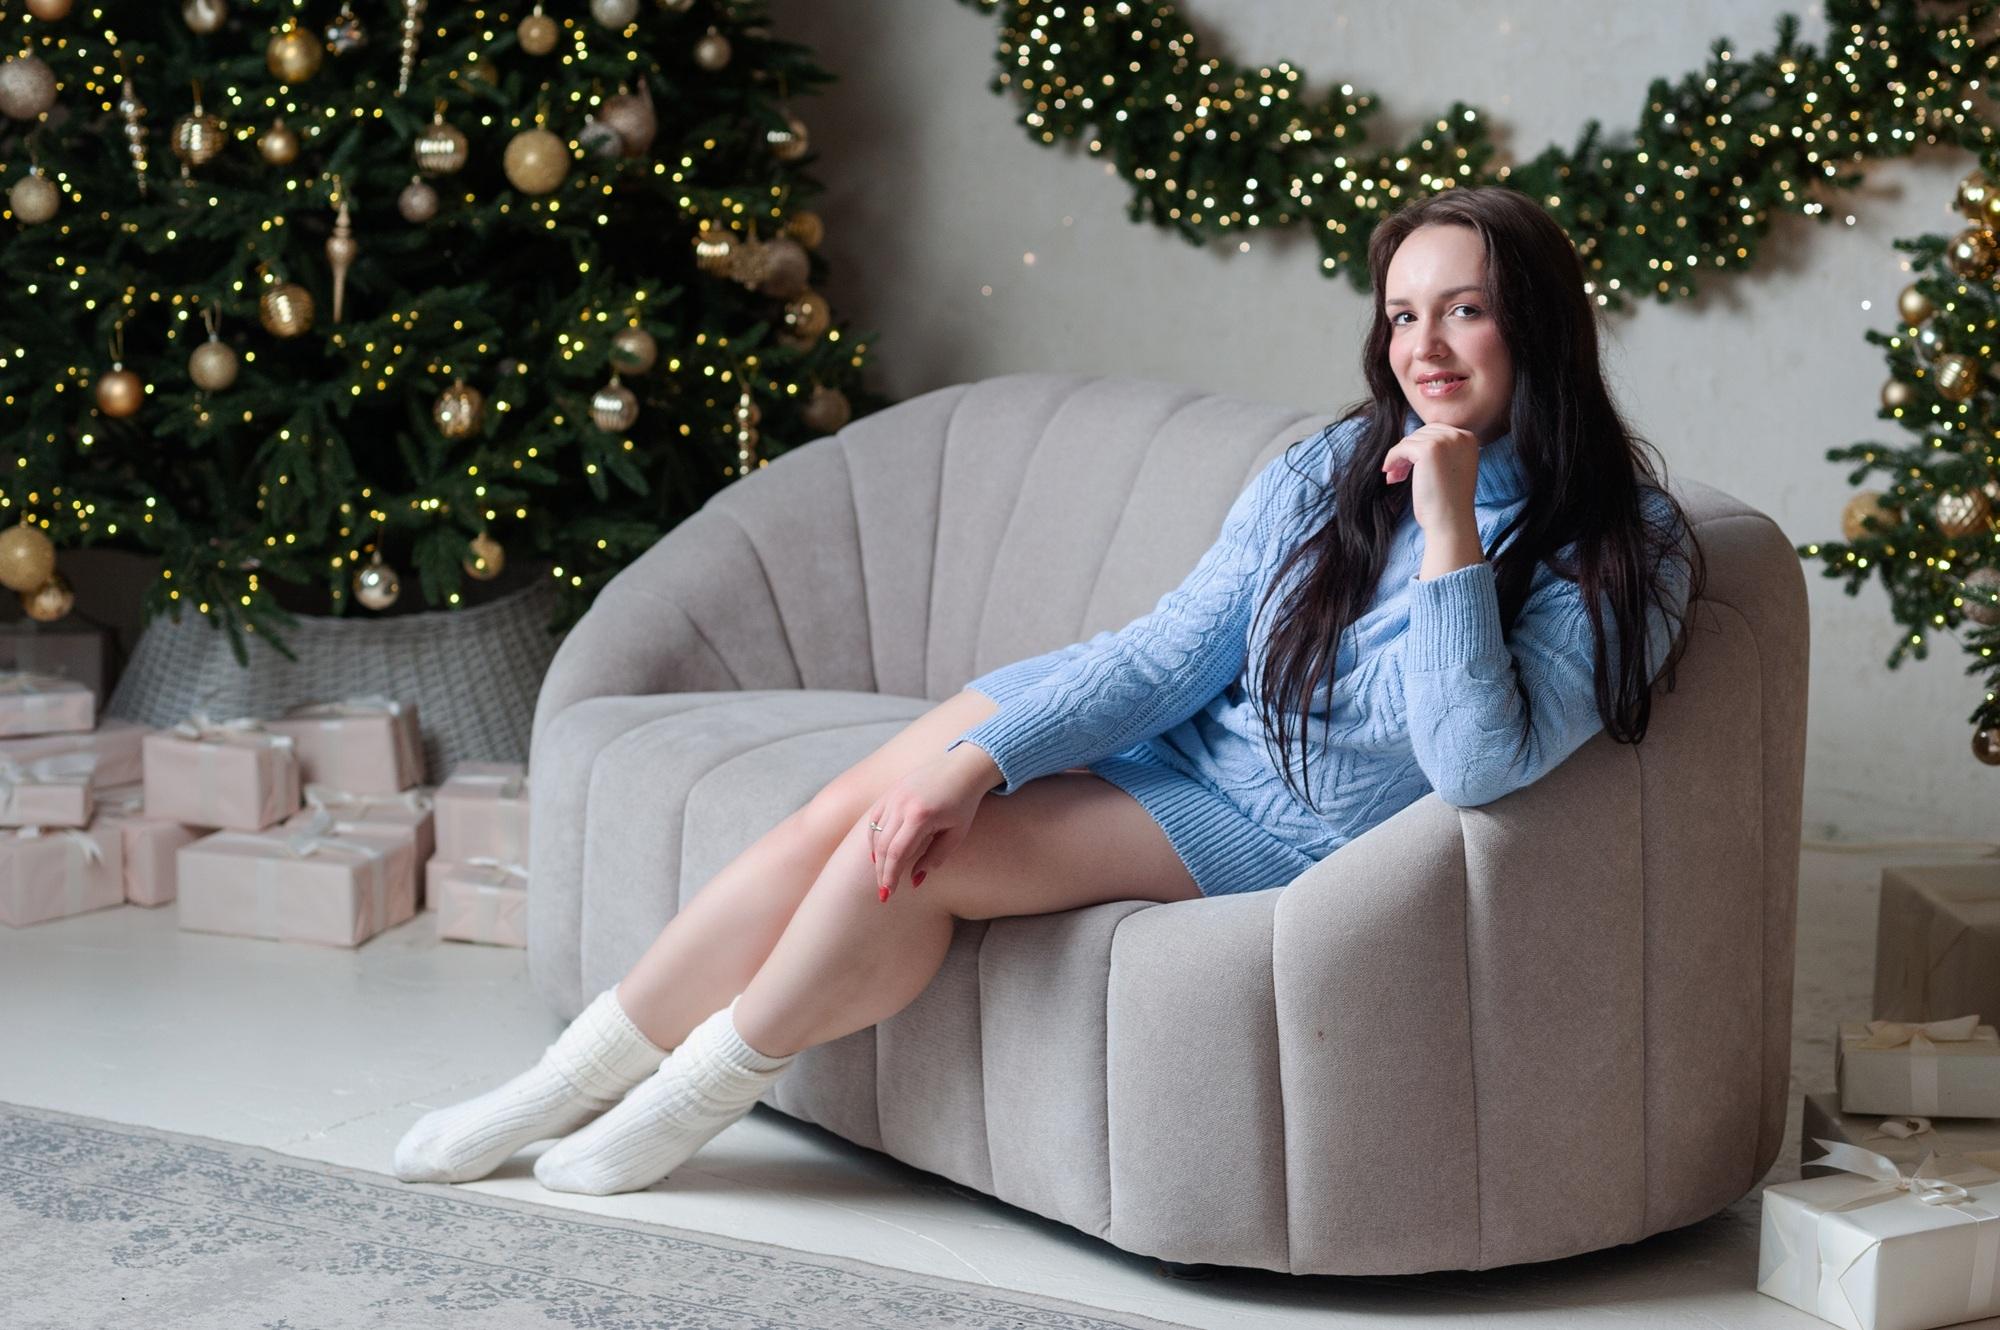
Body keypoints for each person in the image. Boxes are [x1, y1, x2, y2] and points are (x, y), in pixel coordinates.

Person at [392, 184, 1705, 1196]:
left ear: (1538, 322)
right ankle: (553, 1085)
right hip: (1172, 724)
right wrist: (982, 758)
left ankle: (687, 1102)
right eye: (1404, 314)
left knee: (909, 858)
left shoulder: (1626, 548)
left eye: (1464, 309)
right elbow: (1171, 652)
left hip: (1266, 819)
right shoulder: (1327, 468)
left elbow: (1474, 762)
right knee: (850, 811)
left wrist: (1452, 526)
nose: (1425, 345)